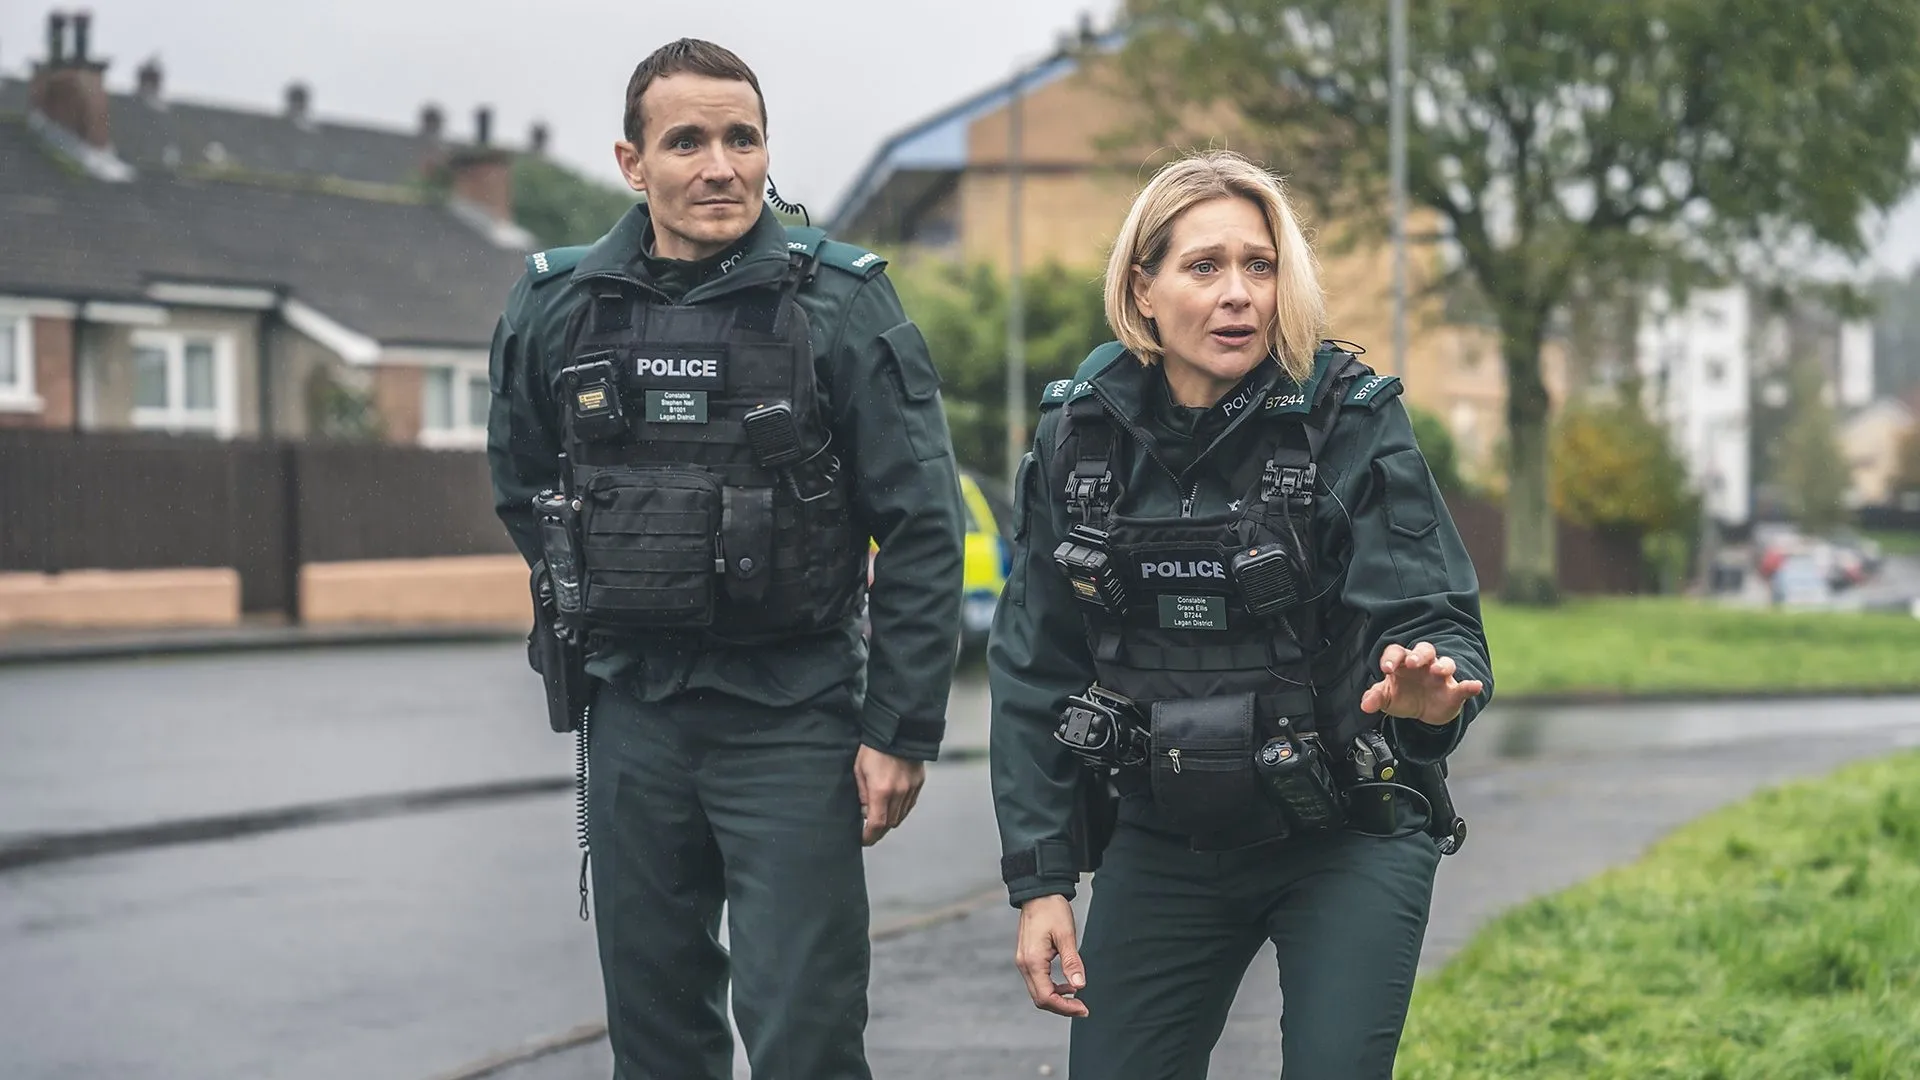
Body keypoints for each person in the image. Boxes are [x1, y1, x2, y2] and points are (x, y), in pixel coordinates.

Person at [486, 39, 966, 1080]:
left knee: (805, 1035)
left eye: (742, 139)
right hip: (633, 715)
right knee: (656, 1038)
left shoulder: (839, 304)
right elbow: (525, 486)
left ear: (766, 151)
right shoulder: (558, 307)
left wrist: (899, 729)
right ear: (632, 162)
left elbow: (924, 526)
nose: (719, 167)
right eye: (687, 142)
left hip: (791, 717)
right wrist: (626, 580)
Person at [988, 149, 1494, 1079]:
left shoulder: (1350, 420)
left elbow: (1435, 621)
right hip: (1166, 832)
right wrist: (1041, 879)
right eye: (1205, 266)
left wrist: (1429, 701)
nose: (1238, 294)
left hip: (1348, 827)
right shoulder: (1076, 439)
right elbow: (1036, 666)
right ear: (1142, 289)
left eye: (1260, 266)